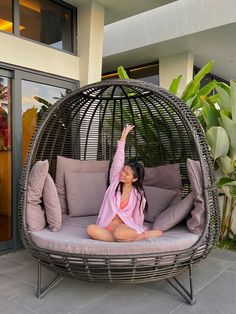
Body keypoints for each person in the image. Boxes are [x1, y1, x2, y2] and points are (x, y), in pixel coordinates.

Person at [86, 124, 163, 242]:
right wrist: (123, 138)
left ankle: (128, 235)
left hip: (123, 226)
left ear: (134, 179)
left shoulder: (138, 194)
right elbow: (118, 160)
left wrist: (138, 228)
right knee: (90, 229)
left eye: (127, 174)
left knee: (120, 232)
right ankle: (137, 237)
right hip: (106, 226)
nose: (122, 174)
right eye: (123, 171)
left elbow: (137, 216)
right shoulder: (115, 182)